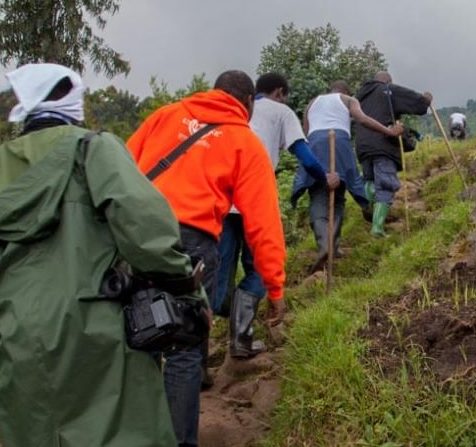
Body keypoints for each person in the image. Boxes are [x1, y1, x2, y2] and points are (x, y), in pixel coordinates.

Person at [0, 63, 205, 446]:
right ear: (72, 97)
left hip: (13, 330)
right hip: (95, 324)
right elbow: (145, 230)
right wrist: (187, 287)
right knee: (120, 430)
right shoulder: (93, 149)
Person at [127, 70, 286, 447]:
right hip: (190, 241)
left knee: (137, 334)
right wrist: (275, 286)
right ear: (247, 104)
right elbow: (263, 223)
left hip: (134, 233)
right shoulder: (244, 142)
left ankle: (136, 433)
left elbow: (120, 167)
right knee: (183, 346)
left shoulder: (165, 115)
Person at [215, 72, 339, 356]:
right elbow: (305, 156)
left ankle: (197, 359)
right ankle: (240, 340)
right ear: (280, 92)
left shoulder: (232, 109)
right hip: (253, 201)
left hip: (218, 201)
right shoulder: (281, 112)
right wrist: (324, 178)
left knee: (217, 276)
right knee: (259, 269)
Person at [292, 80, 403, 271]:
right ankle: (333, 246)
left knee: (318, 194)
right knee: (339, 196)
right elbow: (362, 119)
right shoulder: (348, 99)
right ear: (345, 91)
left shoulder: (312, 102)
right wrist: (389, 131)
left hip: (315, 144)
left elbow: (305, 132)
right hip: (340, 143)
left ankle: (324, 245)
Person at [354, 71, 432, 237]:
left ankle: (368, 207)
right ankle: (377, 228)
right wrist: (425, 100)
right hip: (383, 144)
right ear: (387, 81)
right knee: (386, 184)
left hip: (362, 145)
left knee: (368, 178)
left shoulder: (358, 97)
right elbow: (416, 103)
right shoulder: (387, 90)